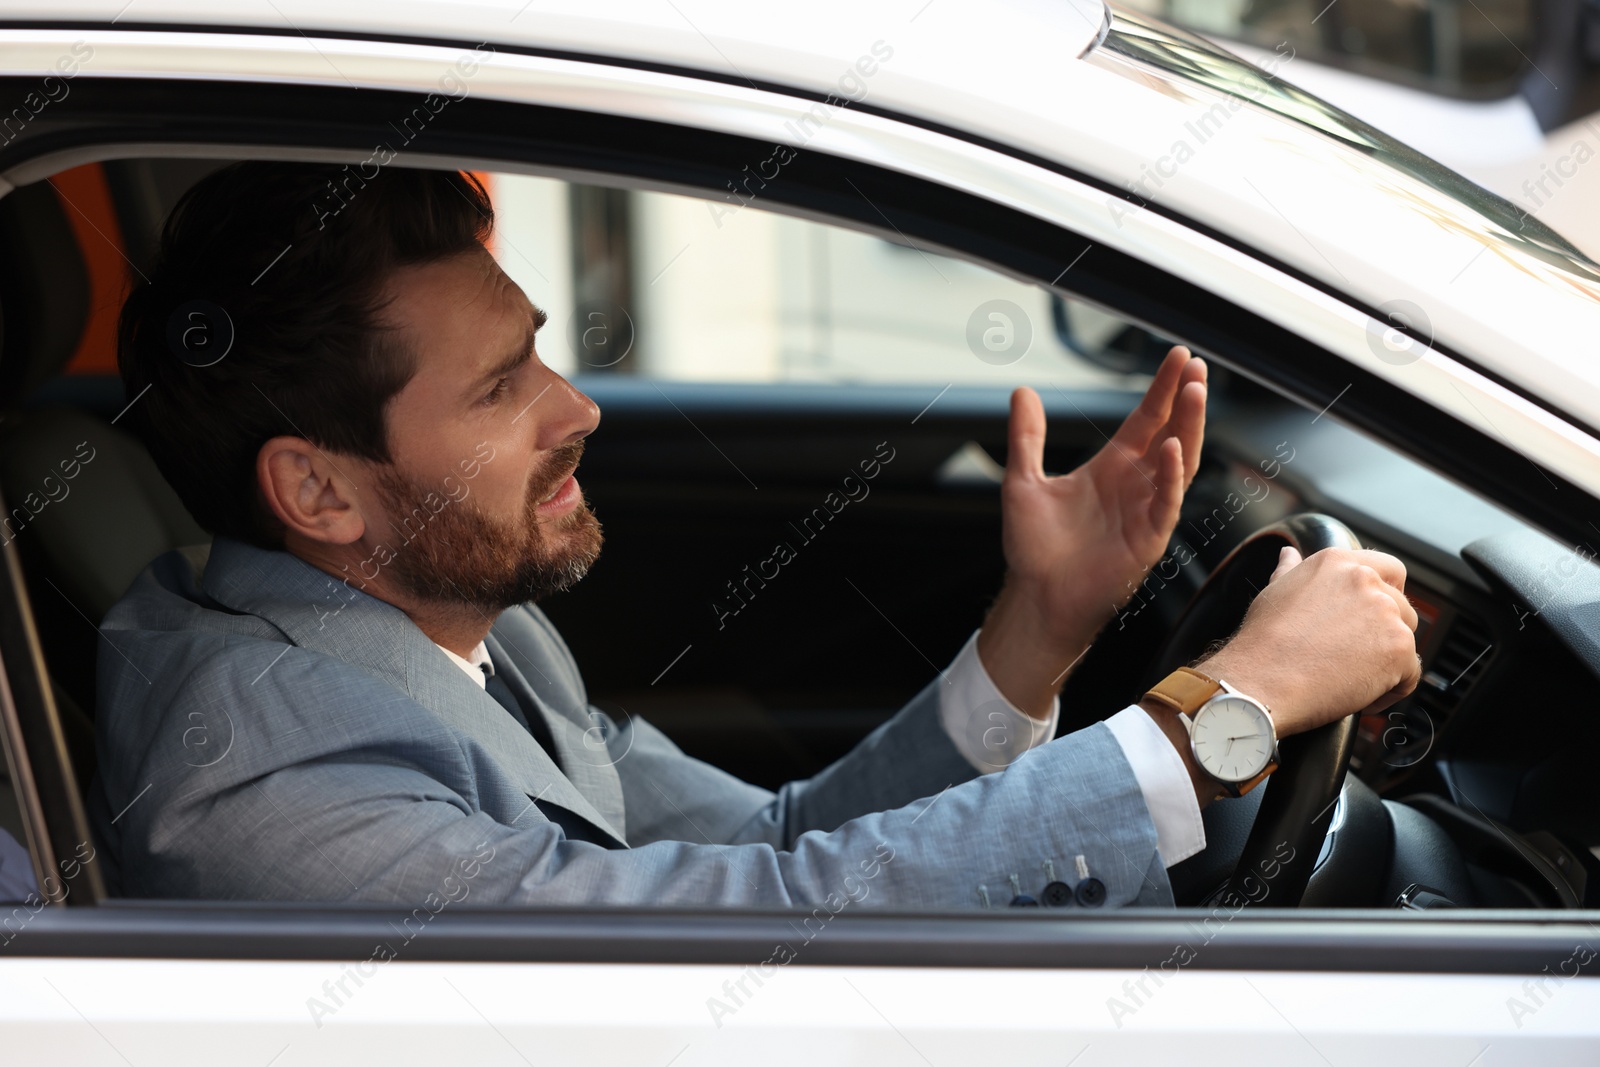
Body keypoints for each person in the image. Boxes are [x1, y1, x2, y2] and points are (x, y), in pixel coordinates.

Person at [89, 162, 1420, 908]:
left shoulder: (450, 636)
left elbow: (776, 848)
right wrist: (1232, 713)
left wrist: (1041, 627)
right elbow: (748, 935)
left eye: (537, 352)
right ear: (320, 493)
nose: (578, 408)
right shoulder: (269, 786)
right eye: (500, 390)